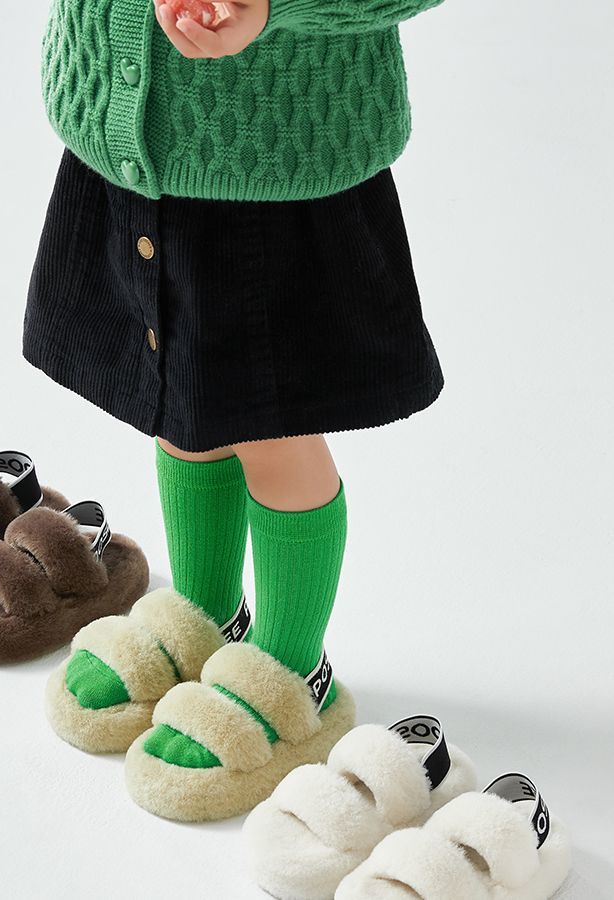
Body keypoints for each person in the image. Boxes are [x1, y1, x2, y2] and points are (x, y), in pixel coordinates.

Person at [24, 0, 448, 807]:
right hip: (128, 145)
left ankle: (293, 670)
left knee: (273, 430)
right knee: (177, 397)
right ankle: (204, 611)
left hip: (278, 157)